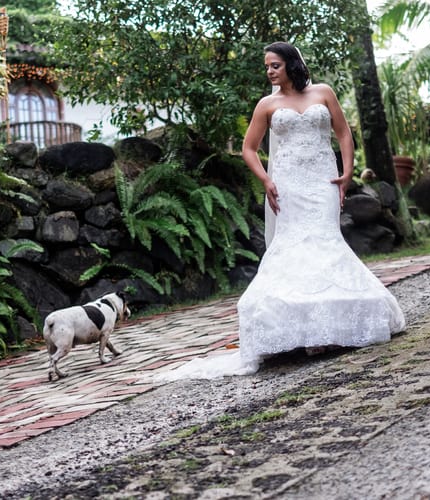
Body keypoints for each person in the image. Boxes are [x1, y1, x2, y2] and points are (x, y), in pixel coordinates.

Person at [155, 41, 405, 381]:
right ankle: (298, 329)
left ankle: (331, 324)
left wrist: (347, 173)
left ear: (290, 64)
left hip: (323, 180)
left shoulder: (323, 92)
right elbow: (248, 149)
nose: (270, 72)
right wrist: (266, 181)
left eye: (275, 65)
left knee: (326, 241)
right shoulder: (267, 104)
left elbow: (344, 134)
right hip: (287, 183)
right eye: (267, 67)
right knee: (293, 246)